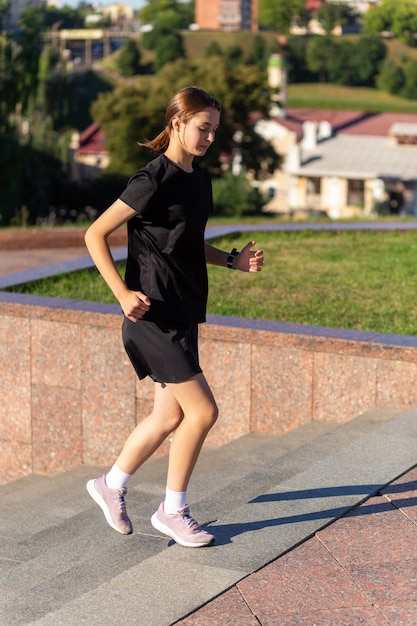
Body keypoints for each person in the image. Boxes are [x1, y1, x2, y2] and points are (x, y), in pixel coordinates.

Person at [85, 86, 264, 548]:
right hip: (152, 315)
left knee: (168, 417)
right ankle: (173, 509)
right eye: (203, 128)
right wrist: (121, 292)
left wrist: (230, 260)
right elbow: (95, 234)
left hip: (183, 311)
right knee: (203, 411)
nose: (208, 138)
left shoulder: (198, 180)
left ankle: (111, 485)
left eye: (214, 131)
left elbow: (186, 242)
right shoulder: (152, 178)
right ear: (177, 123)